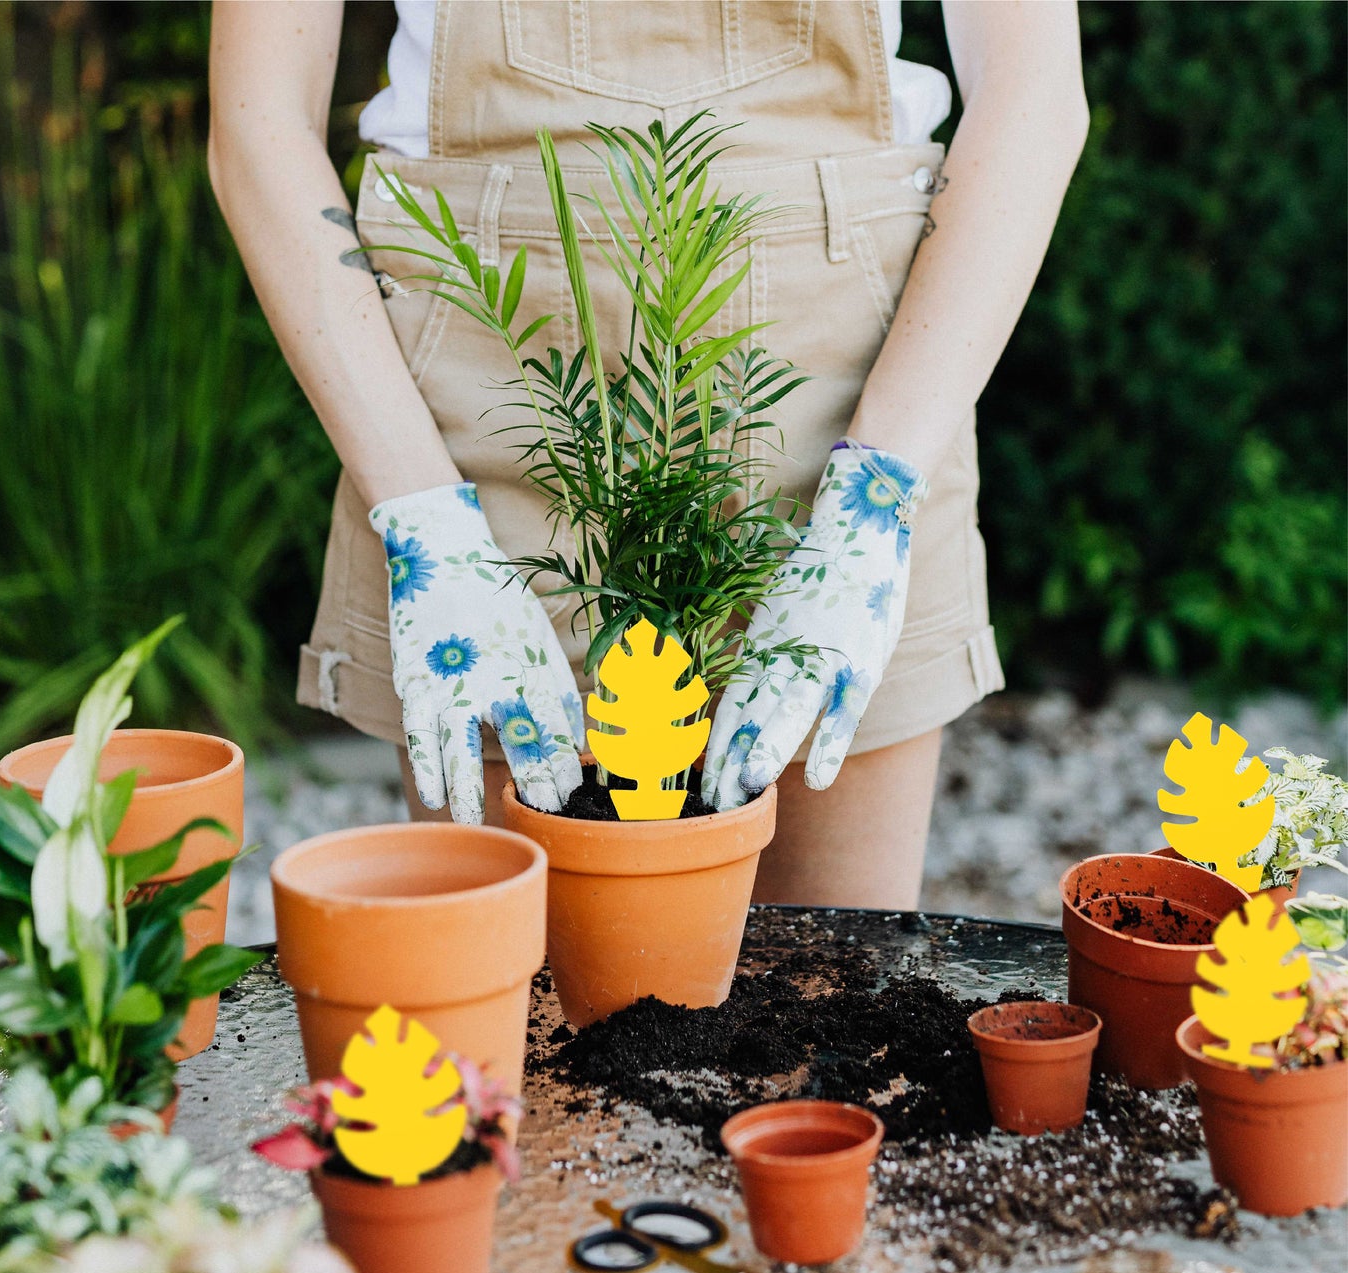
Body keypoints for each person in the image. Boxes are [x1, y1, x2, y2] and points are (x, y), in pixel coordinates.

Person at [208, 0, 1088, 909]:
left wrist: (876, 492)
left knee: (830, 1000)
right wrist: (421, 514)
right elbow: (256, 122)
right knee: (502, 1010)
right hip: (483, 394)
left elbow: (1033, 92)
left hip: (846, 397)